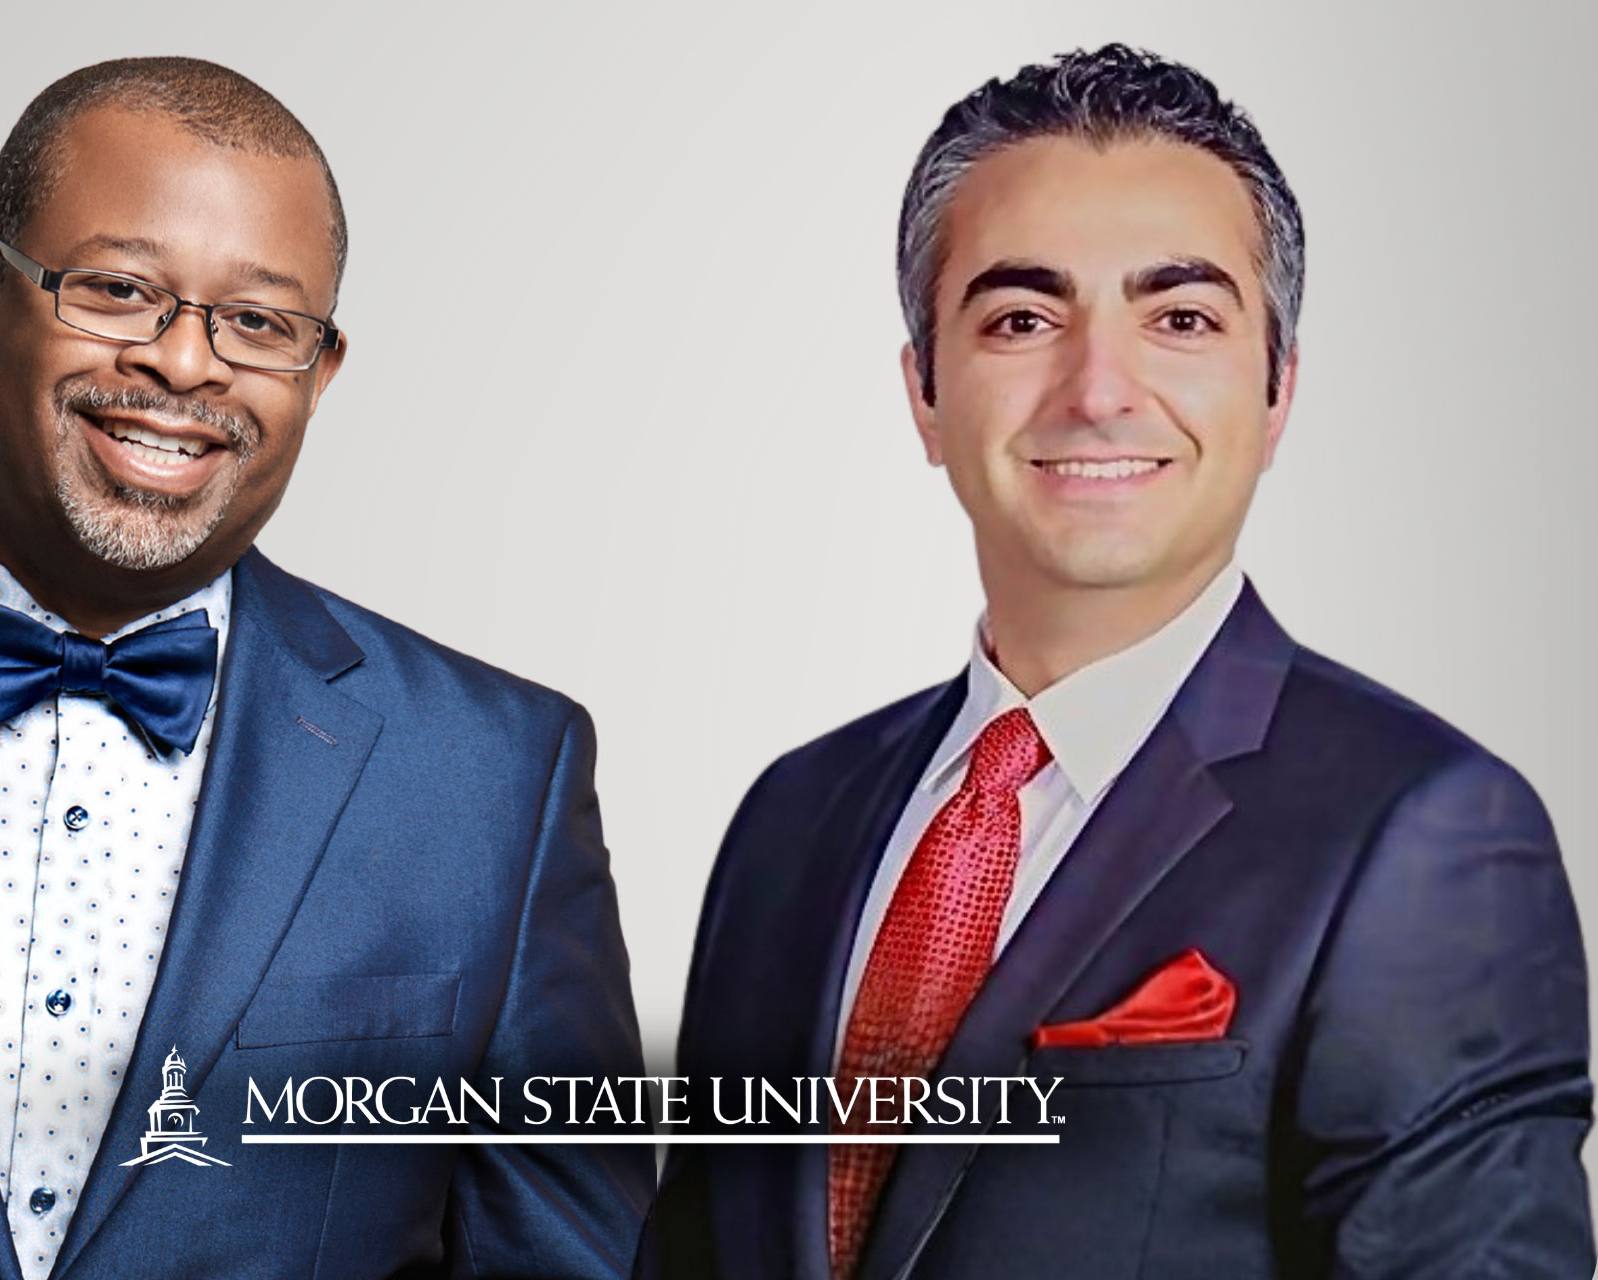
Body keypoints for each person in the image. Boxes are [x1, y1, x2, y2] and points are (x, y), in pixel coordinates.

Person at [0, 56, 650, 1280]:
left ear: (320, 374)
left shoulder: (497, 774)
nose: (185, 364)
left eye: (259, 321)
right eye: (119, 289)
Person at [641, 44, 1592, 1279]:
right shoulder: (792, 818)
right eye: (1022, 319)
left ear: (1278, 391)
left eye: (1180, 319)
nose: (1097, 390)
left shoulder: (1427, 834)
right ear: (925, 392)